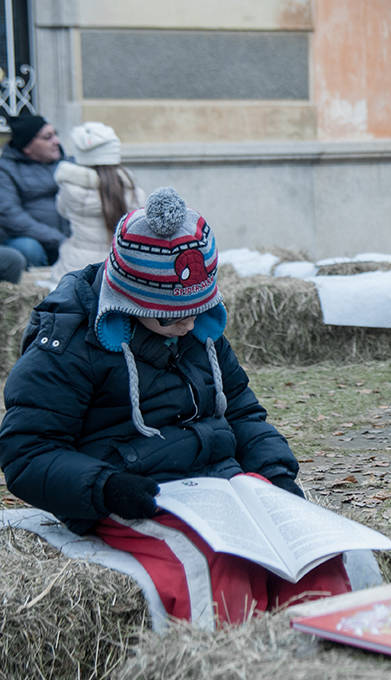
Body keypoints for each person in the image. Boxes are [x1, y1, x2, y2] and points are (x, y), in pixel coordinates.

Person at [0, 187, 351, 627]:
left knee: (310, 555)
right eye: (171, 314)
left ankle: (329, 654)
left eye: (198, 307)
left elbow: (239, 407)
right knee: (216, 566)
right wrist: (107, 488)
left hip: (218, 486)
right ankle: (233, 662)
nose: (187, 323)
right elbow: (27, 451)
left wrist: (275, 472)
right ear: (129, 299)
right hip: (134, 494)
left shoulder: (196, 326)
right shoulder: (70, 342)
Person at [51, 122, 145, 283]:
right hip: (122, 267)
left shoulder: (69, 189)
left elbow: (62, 211)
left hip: (76, 267)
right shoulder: (133, 191)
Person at [0, 113, 70, 267]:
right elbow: (11, 216)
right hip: (31, 239)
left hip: (70, 238)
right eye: (48, 137)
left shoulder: (70, 164)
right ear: (27, 147)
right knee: (28, 248)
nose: (56, 141)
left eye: (55, 135)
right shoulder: (5, 170)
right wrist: (58, 239)